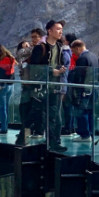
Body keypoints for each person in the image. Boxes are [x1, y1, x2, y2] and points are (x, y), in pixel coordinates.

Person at [27, 19, 67, 153]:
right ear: (49, 31)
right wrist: (51, 71)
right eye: (58, 29)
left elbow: (59, 62)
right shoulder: (40, 48)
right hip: (43, 88)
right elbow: (34, 67)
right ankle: (49, 141)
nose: (61, 31)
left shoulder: (59, 46)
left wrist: (60, 69)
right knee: (44, 114)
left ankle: (54, 141)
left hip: (55, 87)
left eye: (61, 29)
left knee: (55, 116)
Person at [68, 40, 98, 141]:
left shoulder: (82, 58)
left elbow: (78, 75)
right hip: (93, 89)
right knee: (90, 112)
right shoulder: (94, 56)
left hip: (84, 89)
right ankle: (91, 133)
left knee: (82, 111)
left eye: (73, 51)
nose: (73, 54)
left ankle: (84, 134)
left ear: (77, 48)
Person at [0, 45, 16, 135]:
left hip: (2, 87)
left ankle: (3, 129)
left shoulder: (1, 63)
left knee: (2, 109)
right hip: (10, 86)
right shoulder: (10, 59)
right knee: (6, 108)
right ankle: (5, 127)